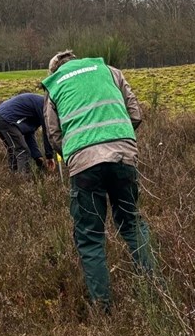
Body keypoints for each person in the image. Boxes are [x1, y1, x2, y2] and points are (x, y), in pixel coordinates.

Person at [42, 50, 154, 312]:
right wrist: (115, 137)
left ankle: (103, 310)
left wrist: (76, 152)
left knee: (91, 237)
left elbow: (54, 135)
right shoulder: (109, 71)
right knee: (131, 224)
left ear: (55, 69)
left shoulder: (55, 84)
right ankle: (154, 294)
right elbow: (135, 114)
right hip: (123, 155)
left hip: (84, 164)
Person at [0, 92, 56, 174]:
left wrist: (37, 156)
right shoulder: (45, 107)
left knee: (13, 150)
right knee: (22, 151)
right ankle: (23, 181)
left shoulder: (37, 106)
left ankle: (13, 179)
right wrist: (49, 156)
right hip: (7, 120)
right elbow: (47, 132)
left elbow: (28, 133)